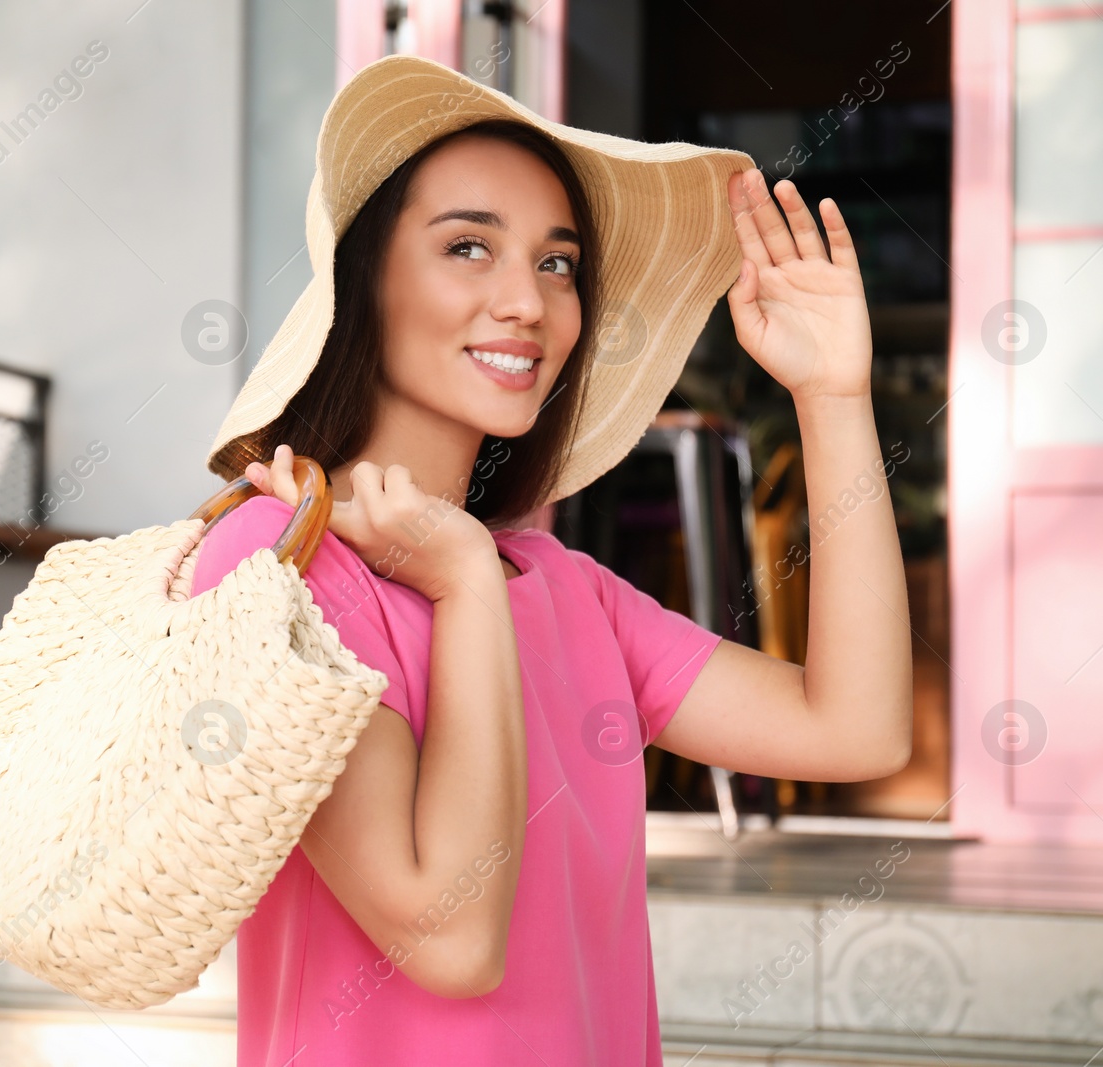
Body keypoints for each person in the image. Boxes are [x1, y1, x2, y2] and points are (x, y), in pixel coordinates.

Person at [189, 54, 911, 1067]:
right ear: (368, 280)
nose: (526, 301)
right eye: (468, 246)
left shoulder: (566, 587)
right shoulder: (273, 568)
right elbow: (449, 936)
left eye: (557, 262)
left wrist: (833, 399)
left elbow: (858, 729)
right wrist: (468, 585)